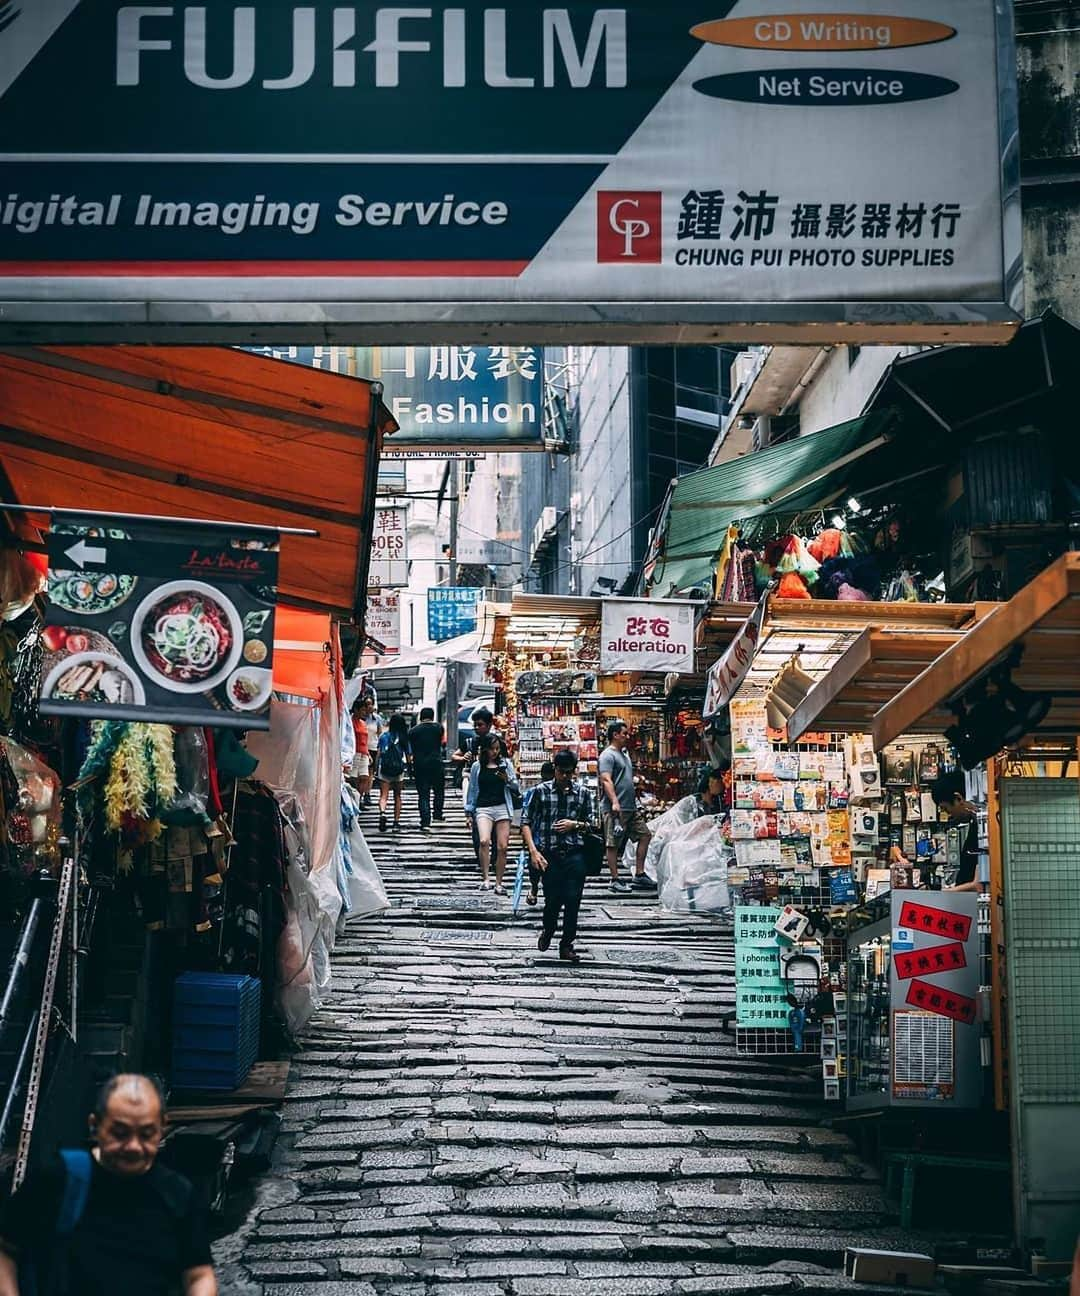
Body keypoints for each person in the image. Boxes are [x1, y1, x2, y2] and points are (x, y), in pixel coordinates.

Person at [0, 1073, 217, 1296]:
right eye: (120, 1133)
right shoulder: (58, 1179)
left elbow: (198, 1274)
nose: (133, 1146)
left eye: (146, 1134)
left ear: (162, 1127)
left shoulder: (178, 1193)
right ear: (95, 1125)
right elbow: (6, 1250)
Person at [521, 749, 594, 964]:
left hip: (574, 853)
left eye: (569, 773)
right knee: (552, 900)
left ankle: (567, 944)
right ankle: (549, 928)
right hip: (549, 854)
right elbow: (526, 821)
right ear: (555, 769)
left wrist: (575, 825)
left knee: (573, 899)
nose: (565, 777)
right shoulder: (540, 792)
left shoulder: (583, 794)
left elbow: (595, 823)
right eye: (562, 772)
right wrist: (533, 851)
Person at [598, 721, 654, 894]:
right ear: (615, 735)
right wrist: (614, 801)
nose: (627, 736)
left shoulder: (624, 754)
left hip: (630, 807)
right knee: (613, 843)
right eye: (624, 733)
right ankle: (614, 879)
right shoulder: (607, 756)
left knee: (644, 835)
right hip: (615, 808)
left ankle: (639, 873)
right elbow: (606, 779)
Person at [465, 733, 520, 894]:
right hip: (483, 807)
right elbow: (473, 789)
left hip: (502, 806)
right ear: (485, 750)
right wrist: (469, 811)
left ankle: (498, 882)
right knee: (484, 840)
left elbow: (516, 788)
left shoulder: (506, 764)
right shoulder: (477, 766)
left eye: (497, 749)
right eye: (492, 749)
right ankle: (486, 878)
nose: (495, 752)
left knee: (502, 846)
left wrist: (508, 780)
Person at [452, 707, 495, 859]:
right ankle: (481, 856)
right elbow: (454, 756)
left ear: (489, 725)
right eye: (475, 725)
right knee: (476, 819)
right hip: (472, 781)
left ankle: (493, 855)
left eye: (480, 725)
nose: (477, 728)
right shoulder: (470, 742)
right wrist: (464, 758)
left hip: (492, 783)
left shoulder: (496, 743)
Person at [931, 770, 982, 892]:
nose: (948, 815)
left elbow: (979, 884)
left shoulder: (984, 831)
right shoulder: (975, 826)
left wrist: (946, 894)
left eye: (946, 808)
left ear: (958, 799)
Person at [521, 761, 556, 907]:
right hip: (538, 838)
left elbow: (525, 817)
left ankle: (535, 889)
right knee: (536, 868)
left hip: (537, 838)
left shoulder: (533, 791)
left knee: (536, 869)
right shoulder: (536, 792)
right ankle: (536, 889)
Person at [409, 706, 446, 832]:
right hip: (436, 762)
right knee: (439, 790)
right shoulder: (438, 728)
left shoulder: (413, 731)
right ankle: (437, 814)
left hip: (420, 764)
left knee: (423, 794)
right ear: (433, 715)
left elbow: (412, 747)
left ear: (421, 717)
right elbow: (440, 743)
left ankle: (425, 821)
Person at [376, 712, 410, 834]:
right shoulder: (403, 738)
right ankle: (396, 822)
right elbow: (408, 755)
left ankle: (383, 813)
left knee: (383, 795)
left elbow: (379, 753)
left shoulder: (384, 736)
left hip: (384, 769)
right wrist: (409, 769)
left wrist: (376, 769)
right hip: (398, 769)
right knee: (397, 796)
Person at [358, 696, 383, 807]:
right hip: (362, 748)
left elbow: (379, 733)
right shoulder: (361, 718)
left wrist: (379, 749)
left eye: (370, 704)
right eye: (367, 704)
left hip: (373, 747)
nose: (369, 707)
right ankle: (360, 795)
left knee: (370, 773)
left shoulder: (377, 719)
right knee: (362, 774)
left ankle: (368, 794)